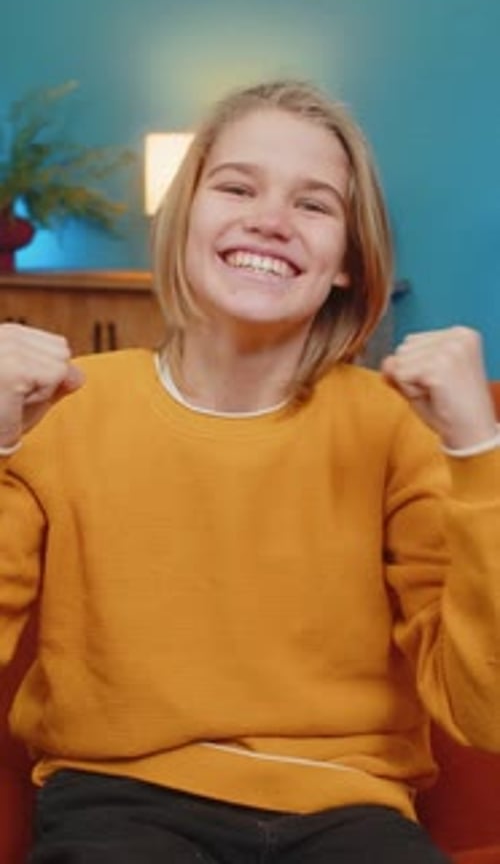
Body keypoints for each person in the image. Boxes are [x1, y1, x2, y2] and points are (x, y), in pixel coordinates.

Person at [0, 79, 499, 864]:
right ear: (184, 218)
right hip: (118, 804)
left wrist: (478, 453)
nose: (270, 219)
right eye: (237, 186)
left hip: (349, 810)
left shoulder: (396, 428)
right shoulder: (64, 412)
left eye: (314, 204)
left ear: (346, 262)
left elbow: (489, 711)